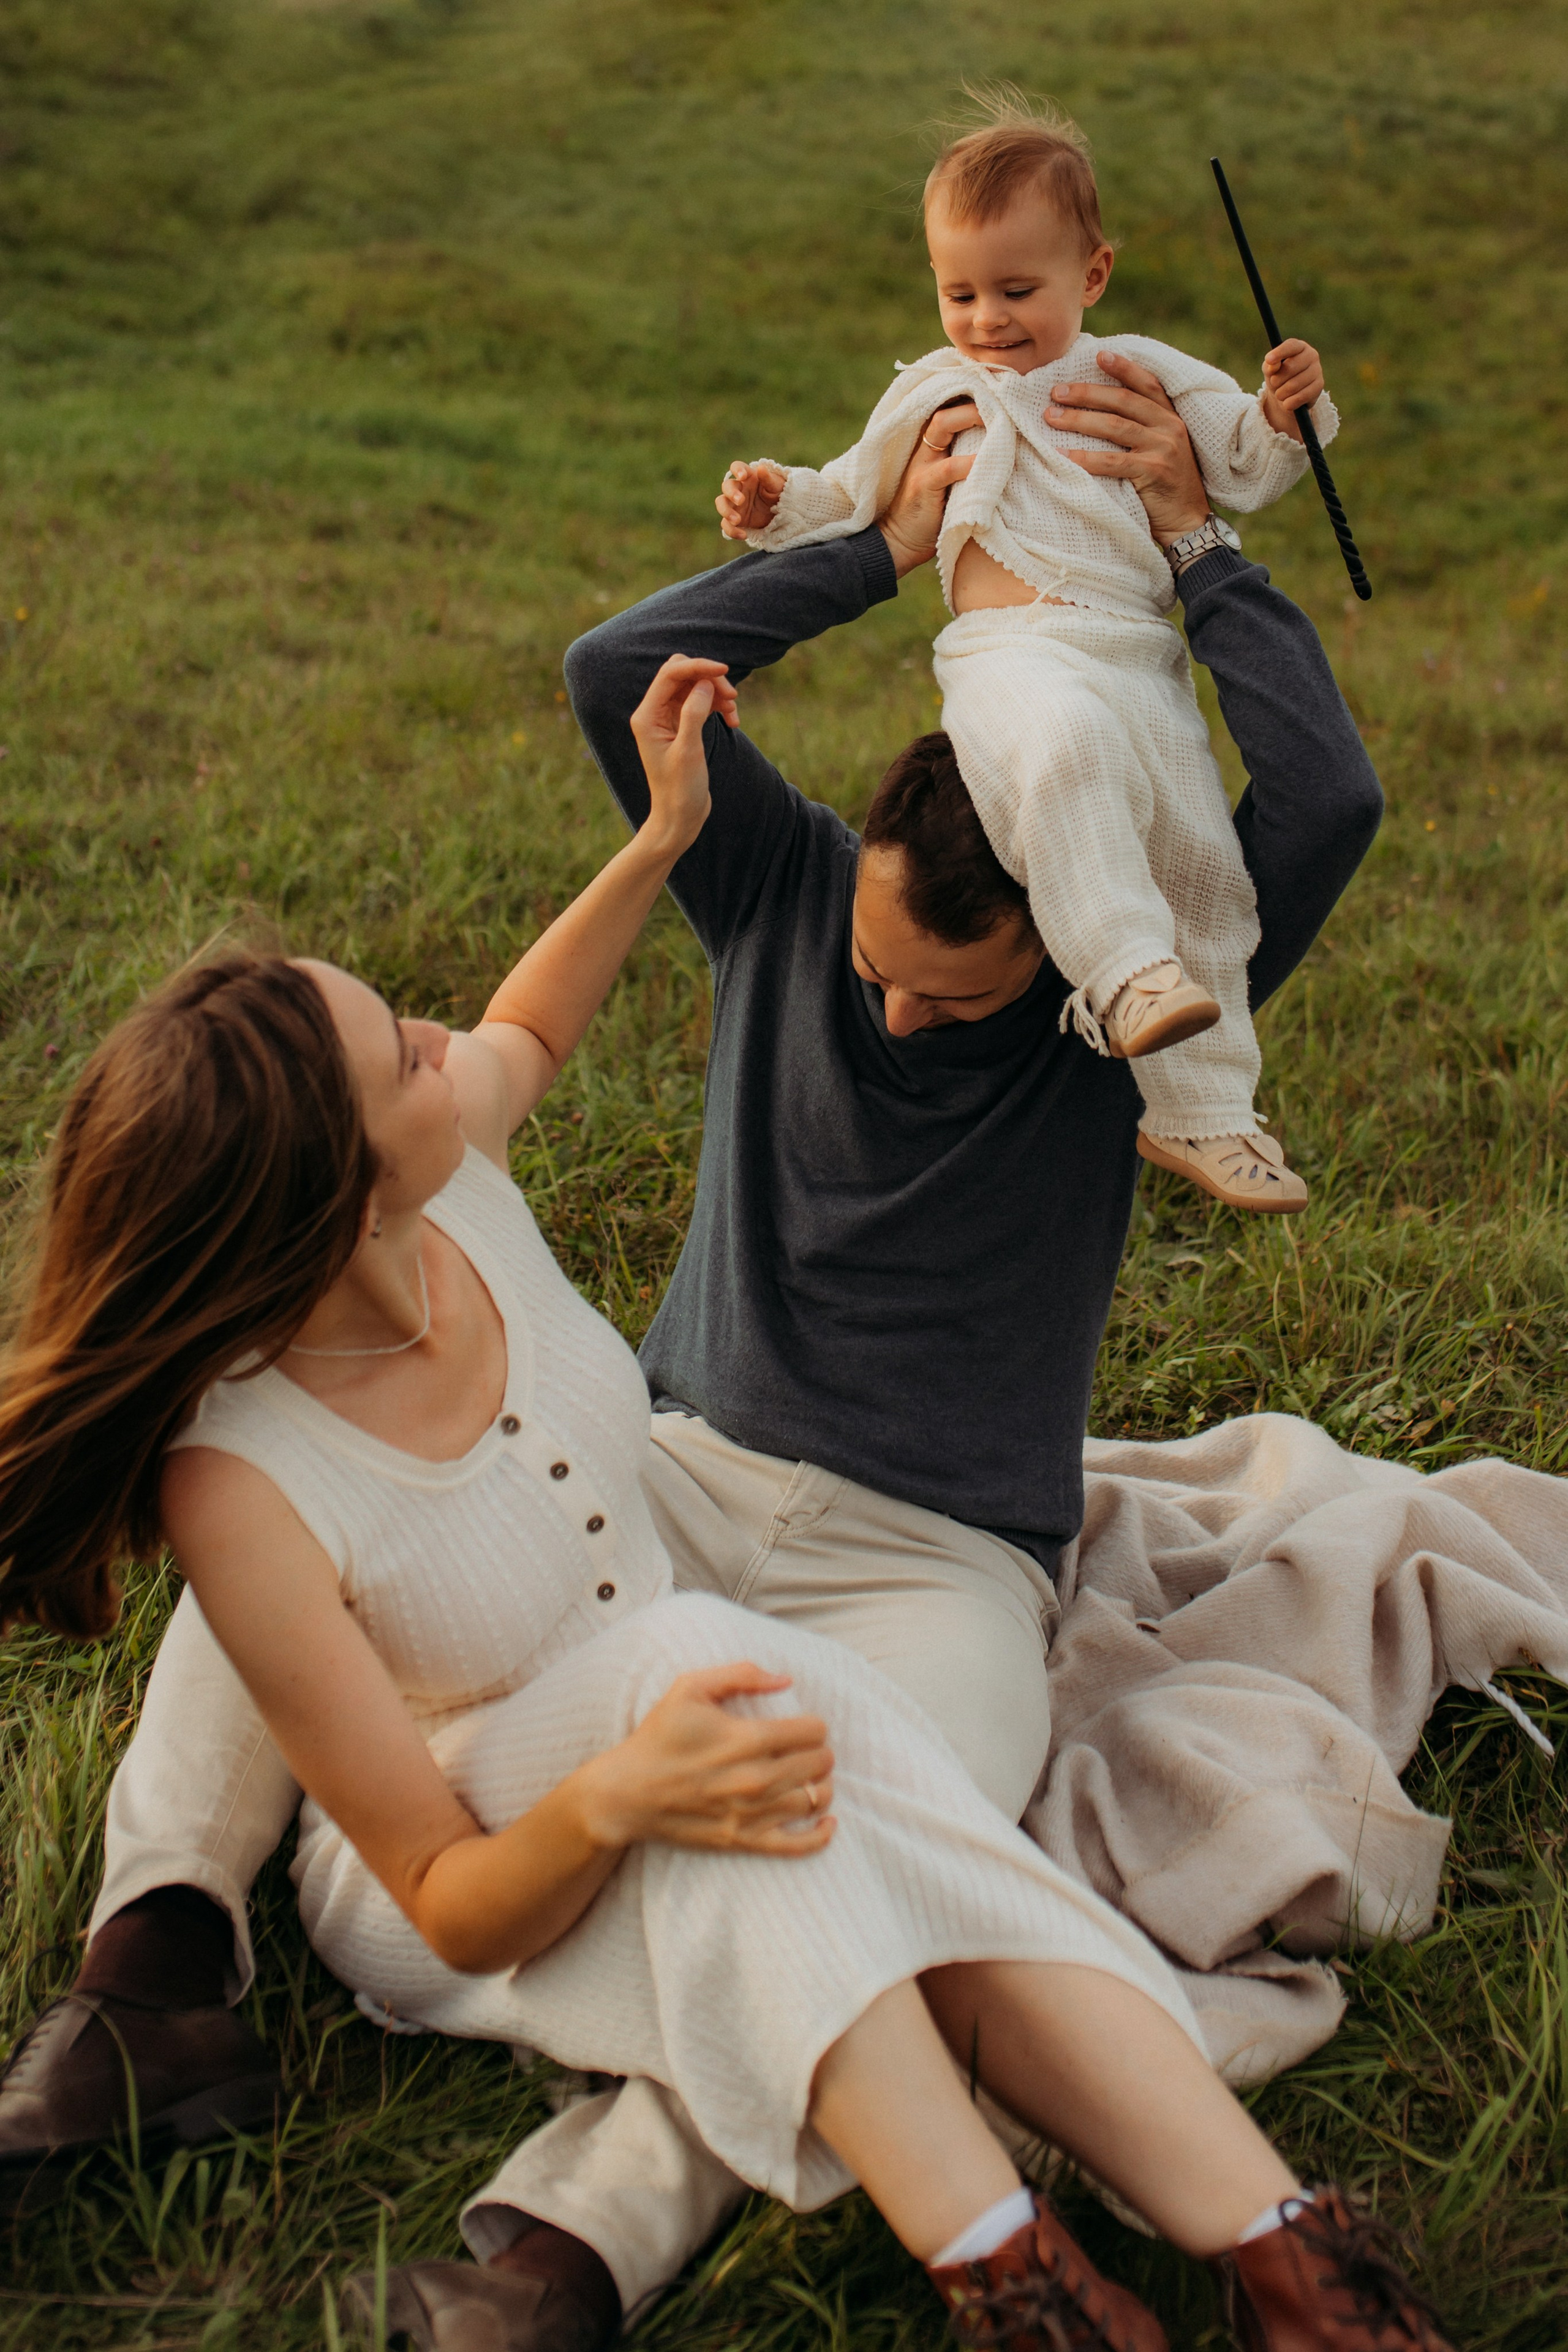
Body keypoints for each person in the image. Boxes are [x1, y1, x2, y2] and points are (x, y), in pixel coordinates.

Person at [0, 370, 1392, 2350]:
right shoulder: (790, 892)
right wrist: (879, 545)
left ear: (1085, 950)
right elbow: (618, 672)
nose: (895, 1018)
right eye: (879, 972)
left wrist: (1196, 543)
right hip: (673, 1480)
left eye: (953, 997)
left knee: (852, 1850)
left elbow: (1328, 802)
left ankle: (584, 2238)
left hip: (931, 1569)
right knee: (295, 1491)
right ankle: (157, 1951)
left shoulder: (1137, 1016)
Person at [718, 92, 1341, 1213]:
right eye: (959, 294)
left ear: (1092, 275)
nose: (987, 321)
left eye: (1017, 291)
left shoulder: (1139, 370)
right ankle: (1120, 970)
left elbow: (1247, 464)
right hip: (1007, 653)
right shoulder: (934, 391)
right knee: (1063, 754)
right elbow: (851, 494)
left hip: (1134, 654)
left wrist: (1287, 413)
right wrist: (777, 501)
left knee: (1201, 862)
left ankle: (1205, 1112)